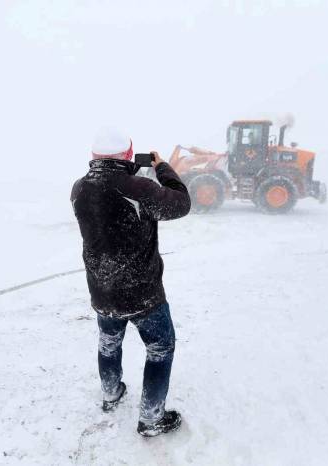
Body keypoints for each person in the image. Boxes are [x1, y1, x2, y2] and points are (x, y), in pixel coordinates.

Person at [70, 127, 191, 437]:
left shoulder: (79, 189)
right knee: (160, 349)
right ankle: (151, 419)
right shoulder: (138, 188)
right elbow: (181, 203)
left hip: (101, 290)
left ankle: (111, 394)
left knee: (109, 343)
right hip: (142, 295)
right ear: (127, 156)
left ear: (95, 157)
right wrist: (161, 166)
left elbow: (108, 193)